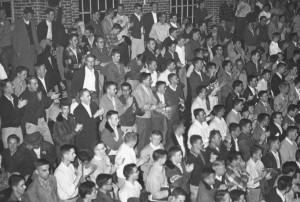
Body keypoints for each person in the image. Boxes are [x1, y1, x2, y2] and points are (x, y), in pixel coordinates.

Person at [20, 76, 59, 144]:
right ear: (28, 85)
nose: (37, 85)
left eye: (37, 83)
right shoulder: (24, 96)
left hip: (41, 120)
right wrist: (49, 98)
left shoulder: (38, 92)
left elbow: (46, 104)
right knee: (35, 145)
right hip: (32, 124)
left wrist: (51, 98)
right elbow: (34, 108)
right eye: (34, 84)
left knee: (49, 143)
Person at [133, 72, 165, 153]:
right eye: (149, 80)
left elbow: (154, 101)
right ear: (143, 80)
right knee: (141, 138)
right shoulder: (138, 90)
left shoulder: (149, 89)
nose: (151, 81)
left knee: (147, 138)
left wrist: (156, 106)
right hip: (142, 118)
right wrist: (156, 106)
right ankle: (141, 155)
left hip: (149, 116)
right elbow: (142, 106)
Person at [13, 7, 40, 75]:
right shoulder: (17, 23)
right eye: (29, 15)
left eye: (31, 15)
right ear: (24, 15)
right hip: (23, 49)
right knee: (24, 69)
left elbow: (35, 36)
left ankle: (31, 82)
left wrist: (37, 48)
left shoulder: (33, 21)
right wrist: (17, 51)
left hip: (32, 48)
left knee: (32, 68)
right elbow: (14, 38)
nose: (30, 17)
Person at [0, 79, 26, 148]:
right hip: (8, 130)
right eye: (11, 86)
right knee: (10, 152)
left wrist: (22, 106)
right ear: (5, 89)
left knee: (21, 150)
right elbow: (9, 117)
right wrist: (19, 107)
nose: (14, 87)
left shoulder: (15, 97)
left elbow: (21, 113)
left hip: (18, 128)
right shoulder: (2, 102)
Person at [186, 135, 208, 202]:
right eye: (200, 143)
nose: (202, 144)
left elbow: (206, 165)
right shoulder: (191, 157)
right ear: (194, 144)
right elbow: (196, 173)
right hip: (196, 184)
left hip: (203, 182)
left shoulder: (203, 152)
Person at [0, 7, 17, 77]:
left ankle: (13, 85)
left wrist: (12, 31)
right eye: (2, 13)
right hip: (2, 49)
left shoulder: (7, 22)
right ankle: (5, 86)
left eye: (5, 13)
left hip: (11, 47)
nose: (5, 15)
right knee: (5, 70)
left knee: (15, 68)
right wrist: (6, 31)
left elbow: (12, 36)